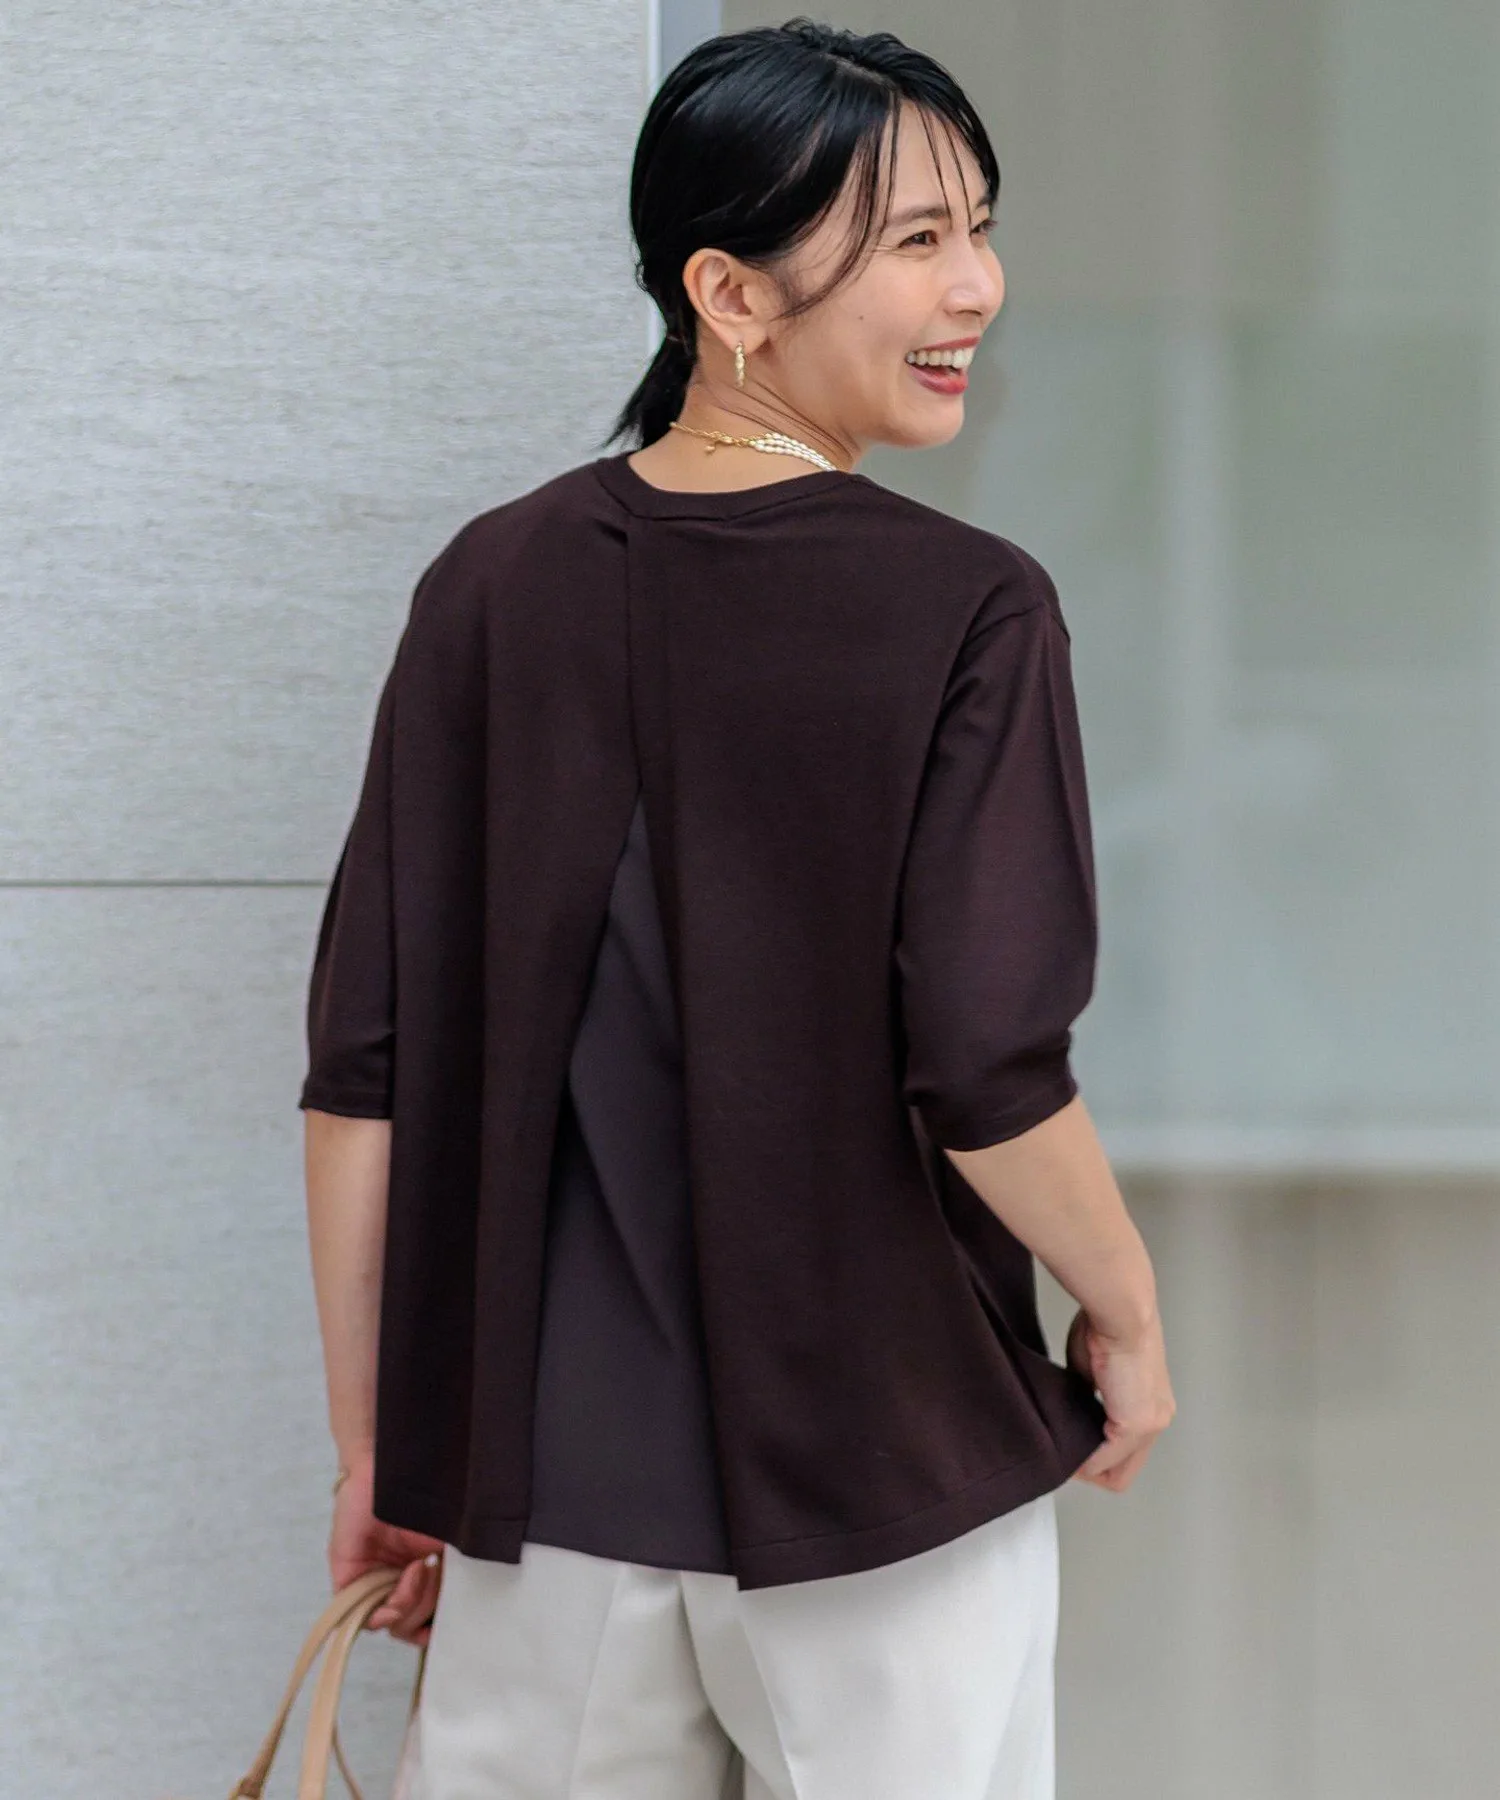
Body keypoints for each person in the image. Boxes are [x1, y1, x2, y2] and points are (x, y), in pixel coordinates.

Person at [299, 19, 1175, 1800]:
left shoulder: (492, 585)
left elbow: (364, 1073)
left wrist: (382, 1451)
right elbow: (986, 1062)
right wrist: (1129, 1313)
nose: (978, 285)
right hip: (886, 1487)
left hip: (546, 1511)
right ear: (730, 292)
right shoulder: (968, 608)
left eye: (979, 225)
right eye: (914, 238)